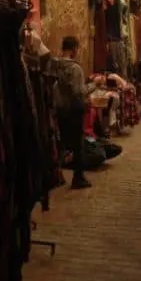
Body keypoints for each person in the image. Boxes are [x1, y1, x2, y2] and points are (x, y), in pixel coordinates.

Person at [53, 36, 93, 190]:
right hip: (74, 110)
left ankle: (57, 174)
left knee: (62, 143)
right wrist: (94, 85)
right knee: (77, 145)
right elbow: (79, 92)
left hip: (61, 109)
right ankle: (78, 177)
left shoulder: (55, 65)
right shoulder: (75, 68)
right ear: (74, 48)